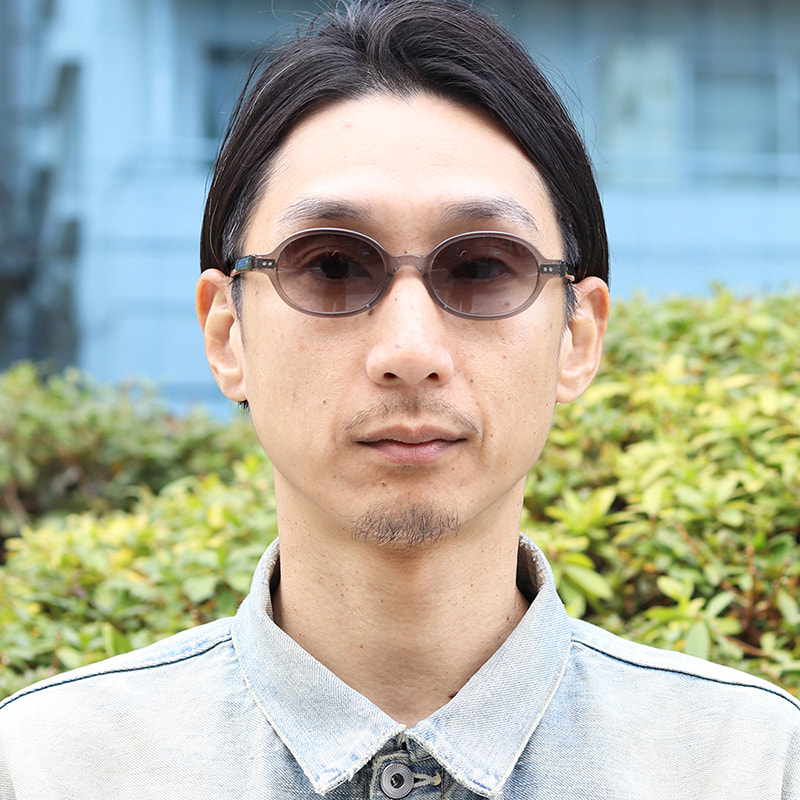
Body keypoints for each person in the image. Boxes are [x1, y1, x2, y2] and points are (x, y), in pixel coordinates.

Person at [1, 0, 798, 797]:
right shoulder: (48, 768)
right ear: (227, 334)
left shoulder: (752, 765)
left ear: (578, 337)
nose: (410, 352)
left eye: (482, 267)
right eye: (332, 266)